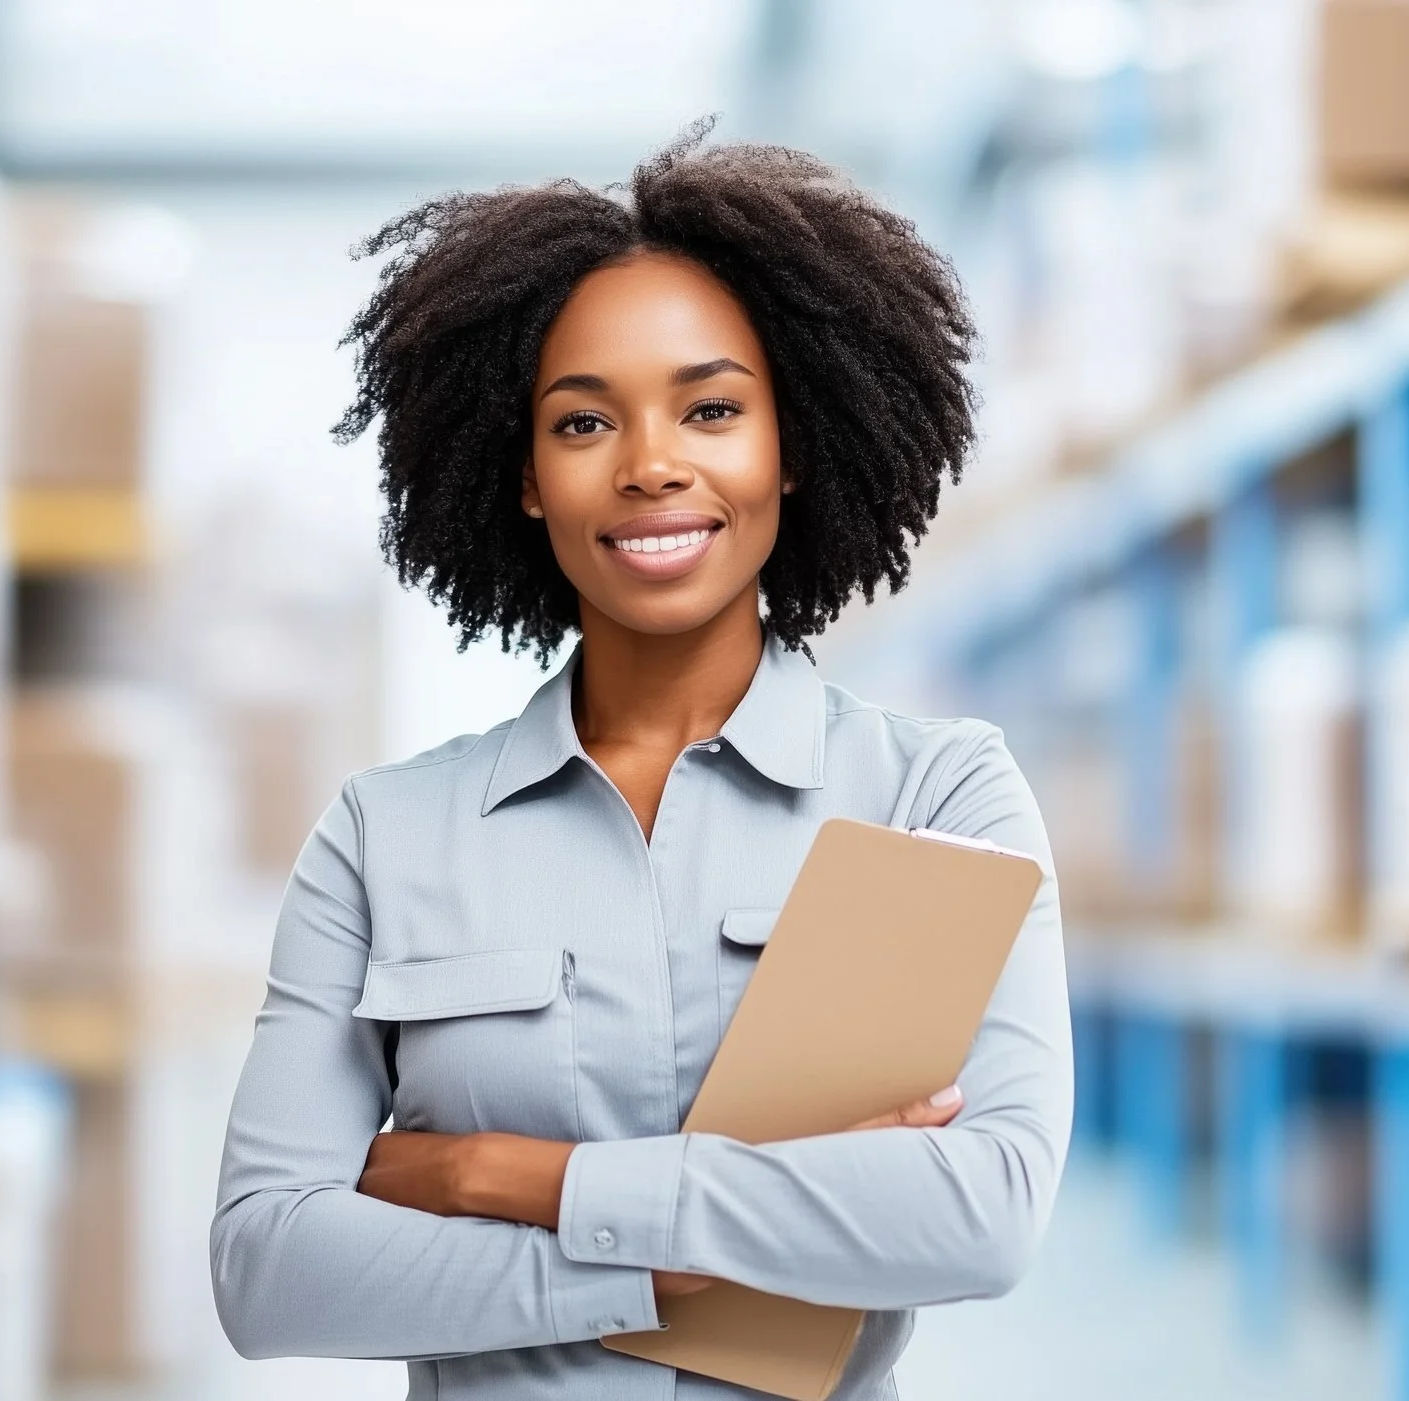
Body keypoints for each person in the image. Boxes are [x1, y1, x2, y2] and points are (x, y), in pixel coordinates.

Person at [209, 127, 1069, 1401]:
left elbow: (979, 1212)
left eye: (711, 409)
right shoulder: (384, 836)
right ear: (523, 478)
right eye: (582, 421)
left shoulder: (936, 792)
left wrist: (497, 1177)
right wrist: (660, 1273)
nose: (650, 463)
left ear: (792, 444)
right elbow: (268, 1268)